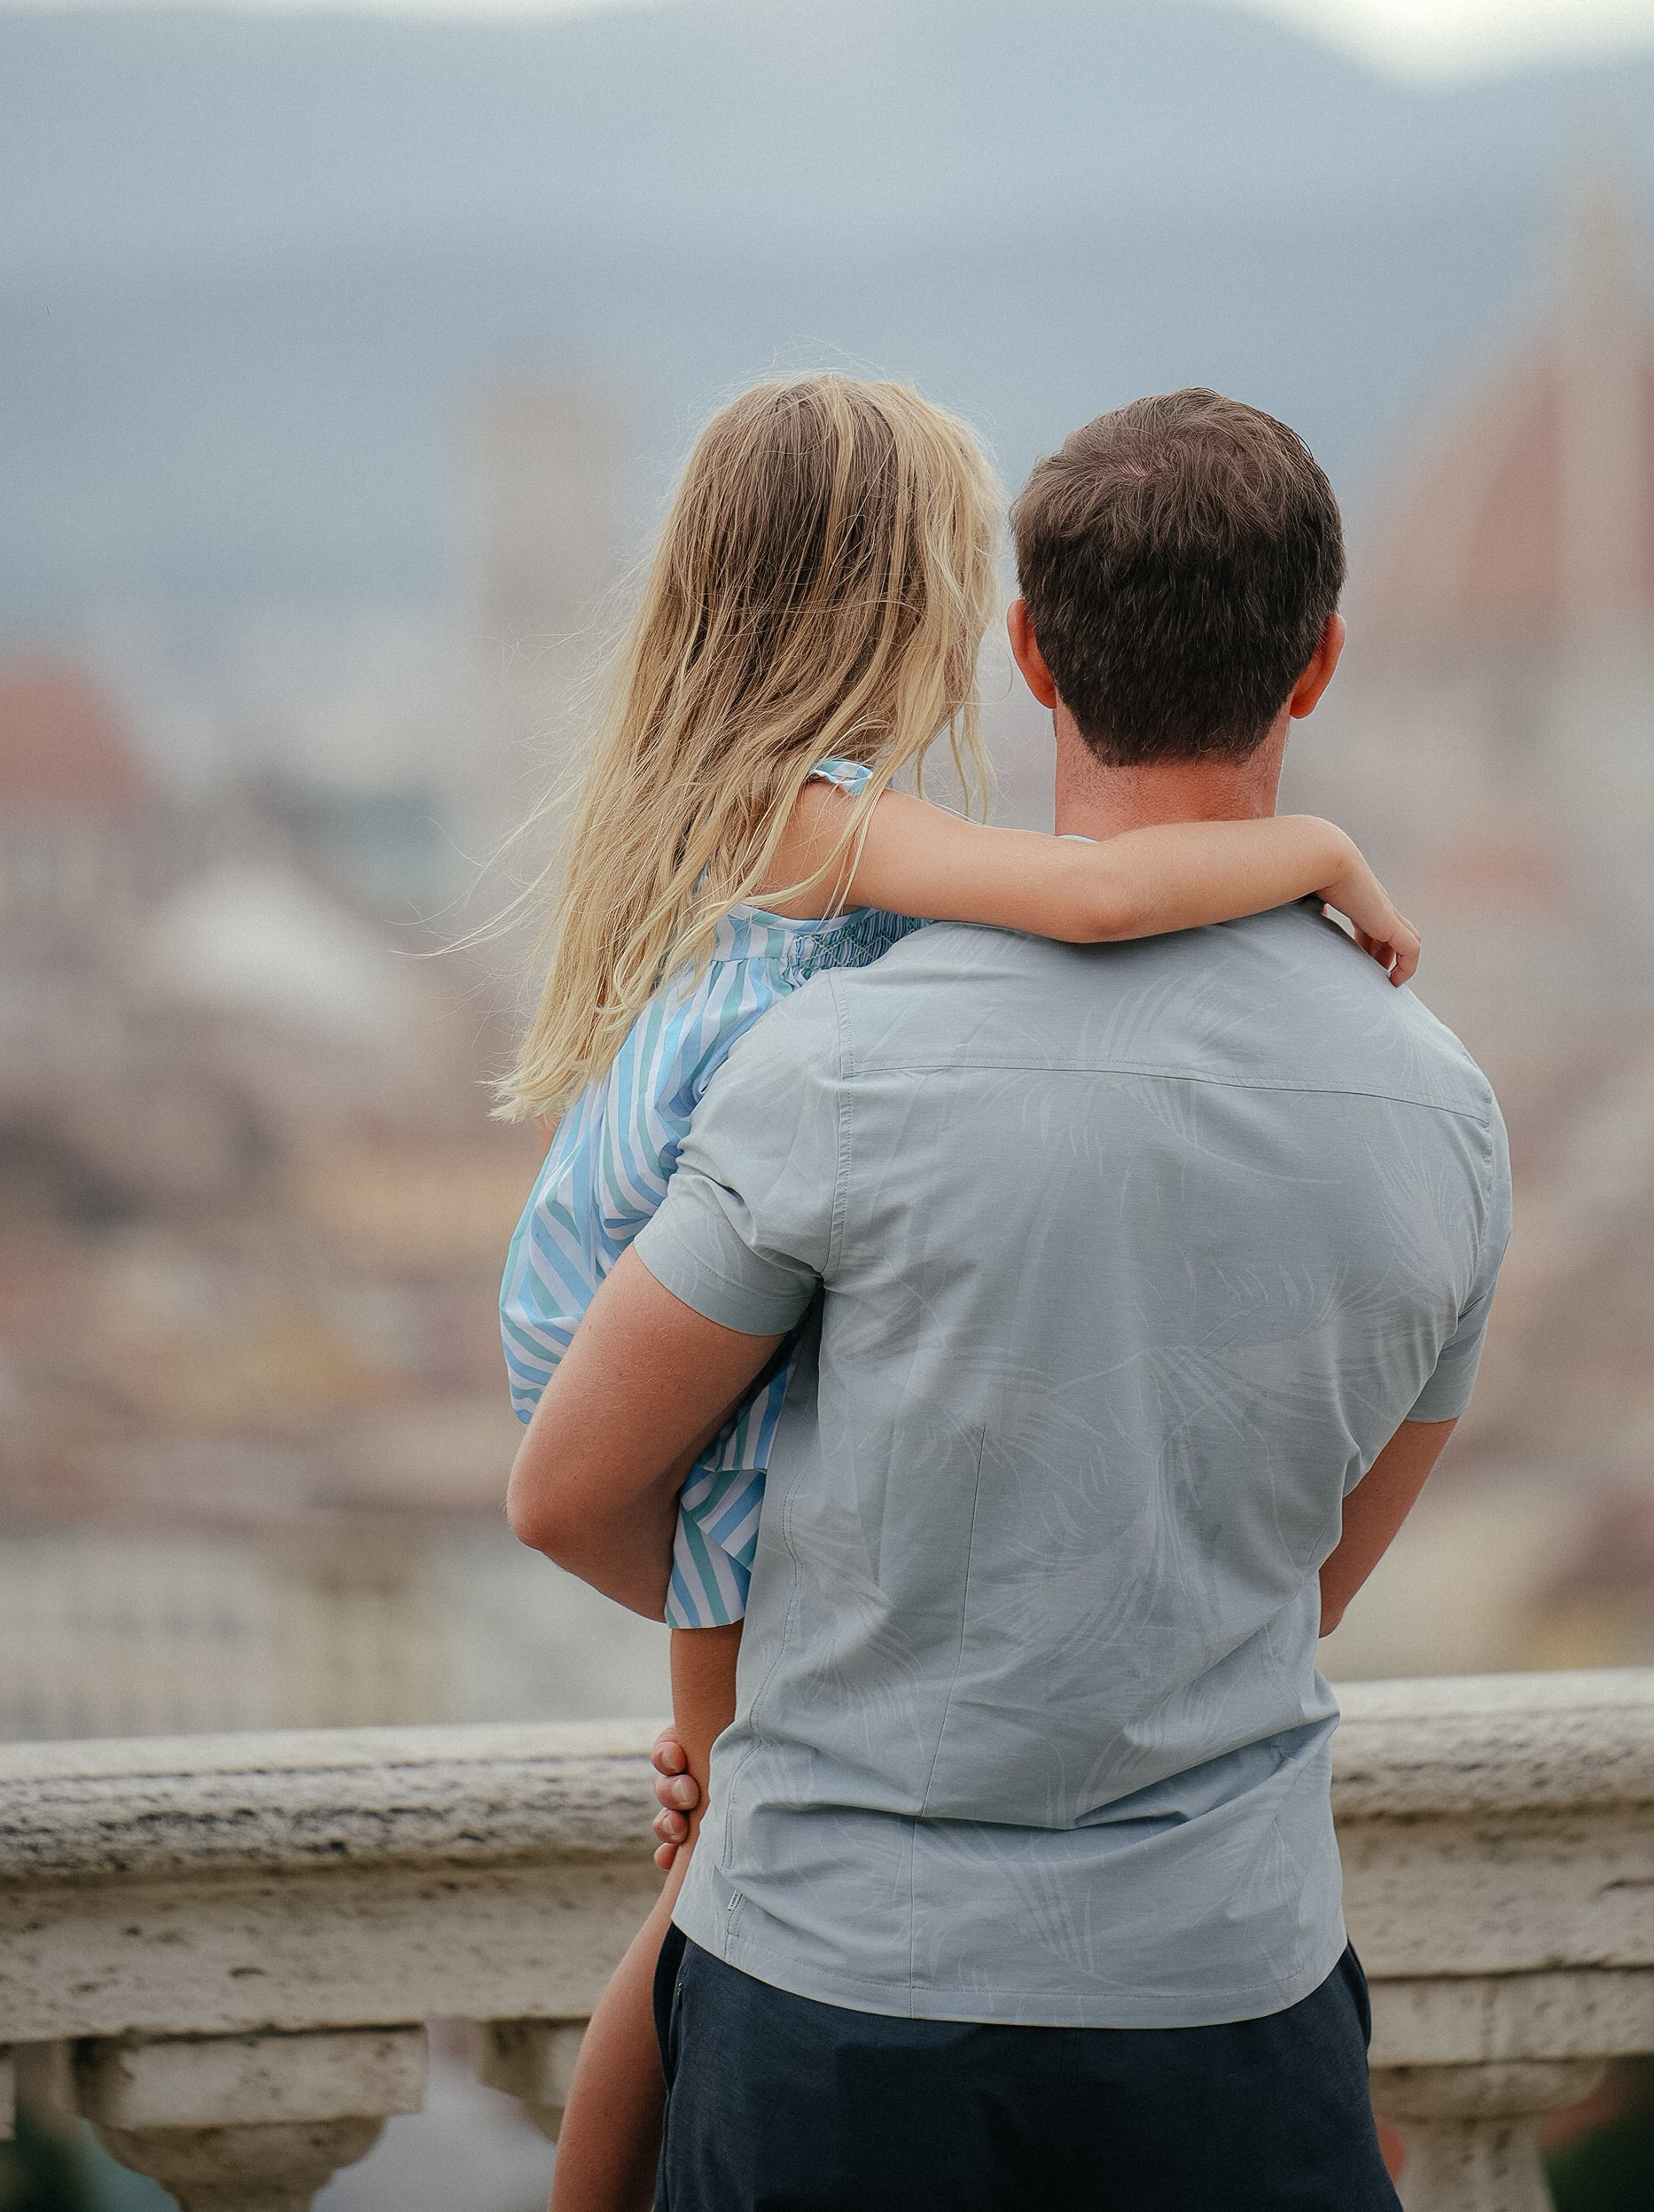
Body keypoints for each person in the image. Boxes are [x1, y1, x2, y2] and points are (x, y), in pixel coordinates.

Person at [498, 373, 1422, 2211]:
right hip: (667, 1325)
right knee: (705, 1875)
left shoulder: (762, 827)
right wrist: (1318, 854)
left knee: (711, 1855)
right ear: (936, 617)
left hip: (647, 1295)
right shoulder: (821, 821)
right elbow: (1088, 905)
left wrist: (767, 1684)